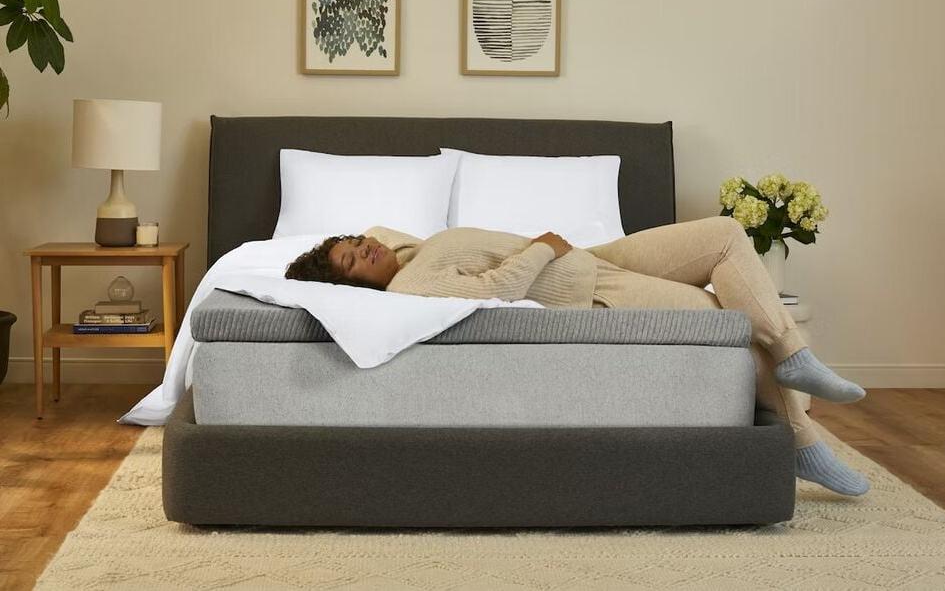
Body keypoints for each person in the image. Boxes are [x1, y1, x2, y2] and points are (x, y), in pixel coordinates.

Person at [285, 216, 869, 496]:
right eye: (353, 260)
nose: (365, 248)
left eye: (356, 243)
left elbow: (379, 238)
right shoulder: (411, 287)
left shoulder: (403, 253)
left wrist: (348, 245)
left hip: (598, 254)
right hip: (593, 291)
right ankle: (803, 443)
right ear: (356, 287)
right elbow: (496, 290)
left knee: (726, 234)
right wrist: (542, 246)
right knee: (734, 322)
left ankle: (792, 356)